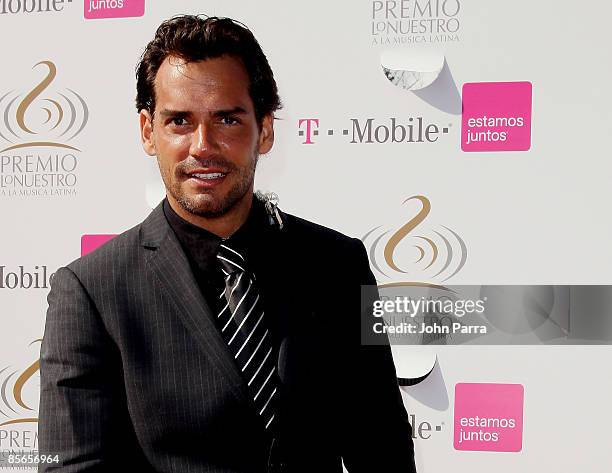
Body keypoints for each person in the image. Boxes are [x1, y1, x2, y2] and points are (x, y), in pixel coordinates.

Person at [38, 15, 417, 473]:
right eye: (179, 121)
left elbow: (383, 450)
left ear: (266, 128)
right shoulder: (91, 291)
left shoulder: (338, 266)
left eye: (227, 119)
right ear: (147, 131)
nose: (203, 145)